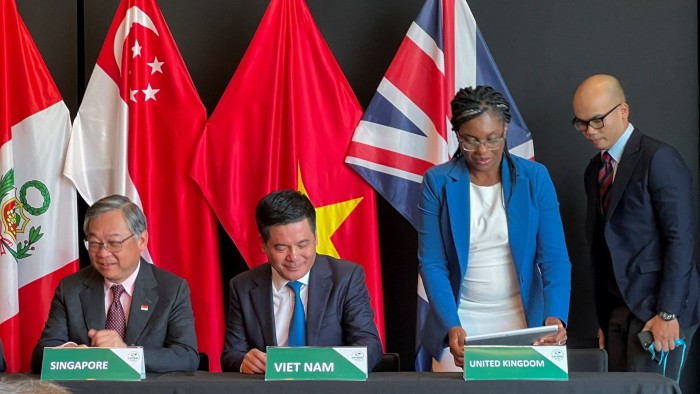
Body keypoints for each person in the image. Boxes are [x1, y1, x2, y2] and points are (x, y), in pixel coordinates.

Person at [418, 85, 571, 371]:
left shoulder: (535, 177)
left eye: (492, 139)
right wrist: (452, 324)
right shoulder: (436, 182)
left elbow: (554, 258)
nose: (482, 150)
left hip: (524, 321)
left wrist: (555, 317)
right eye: (470, 140)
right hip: (461, 323)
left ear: (506, 130)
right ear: (457, 135)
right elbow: (432, 263)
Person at [572, 74, 699, 380]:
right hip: (617, 310)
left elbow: (680, 239)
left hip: (659, 311)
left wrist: (668, 313)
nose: (589, 131)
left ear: (623, 111)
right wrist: (604, 318)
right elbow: (601, 245)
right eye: (581, 122)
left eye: (598, 120)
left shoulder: (659, 158)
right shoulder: (595, 170)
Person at [30, 195, 199, 373]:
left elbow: (186, 356)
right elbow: (41, 356)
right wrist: (69, 354)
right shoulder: (71, 288)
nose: (103, 253)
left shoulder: (171, 289)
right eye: (94, 243)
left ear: (141, 240)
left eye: (113, 243)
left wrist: (126, 354)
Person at [220, 189, 382, 373]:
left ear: (315, 237)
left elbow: (370, 346)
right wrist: (244, 362)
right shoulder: (243, 286)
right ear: (263, 245)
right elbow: (231, 354)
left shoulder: (346, 277)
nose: (294, 256)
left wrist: (323, 366)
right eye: (281, 248)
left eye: (302, 245)